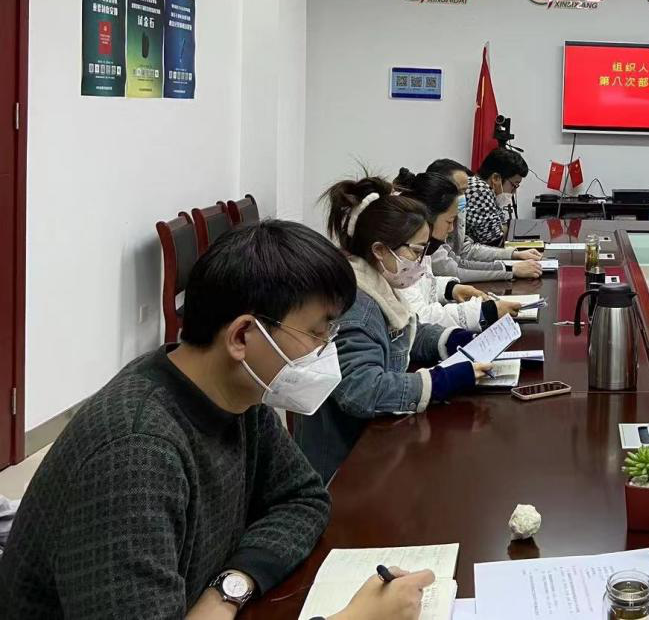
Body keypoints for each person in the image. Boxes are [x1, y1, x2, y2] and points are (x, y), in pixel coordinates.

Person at [0, 220, 435, 619]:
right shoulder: (135, 452)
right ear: (242, 335)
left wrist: (228, 590)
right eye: (317, 333)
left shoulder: (237, 393)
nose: (327, 351)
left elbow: (304, 498)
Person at [294, 177, 490, 482]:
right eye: (416, 251)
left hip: (372, 443)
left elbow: (403, 331)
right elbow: (361, 390)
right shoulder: (356, 305)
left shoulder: (377, 282)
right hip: (344, 467)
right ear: (380, 250)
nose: (421, 262)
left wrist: (452, 339)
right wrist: (438, 382)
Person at [393, 168, 527, 330]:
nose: (451, 229)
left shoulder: (422, 246)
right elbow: (418, 317)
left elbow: (425, 285)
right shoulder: (403, 252)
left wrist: (451, 289)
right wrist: (484, 311)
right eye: (449, 221)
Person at [413, 158, 543, 282]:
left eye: (465, 191)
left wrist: (512, 256)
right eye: (459, 191)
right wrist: (510, 270)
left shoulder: (457, 213)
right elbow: (451, 269)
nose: (463, 197)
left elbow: (465, 251)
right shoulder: (425, 225)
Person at [465, 147, 529, 248]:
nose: (514, 191)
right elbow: (494, 242)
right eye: (514, 185)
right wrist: (501, 229)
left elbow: (502, 229)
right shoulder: (480, 190)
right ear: (495, 178)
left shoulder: (486, 190)